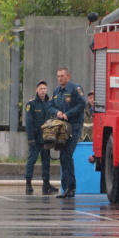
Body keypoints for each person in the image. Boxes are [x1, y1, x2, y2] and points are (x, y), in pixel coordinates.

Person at [46, 67, 87, 199]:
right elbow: (49, 105)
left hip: (73, 125)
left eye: (62, 76)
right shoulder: (56, 91)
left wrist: (68, 114)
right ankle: (65, 187)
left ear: (68, 76)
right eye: (58, 76)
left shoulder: (75, 88)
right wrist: (56, 112)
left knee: (68, 154)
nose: (60, 78)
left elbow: (82, 104)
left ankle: (71, 187)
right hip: (61, 127)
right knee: (63, 155)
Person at [24, 80, 58, 194]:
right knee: (31, 161)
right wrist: (30, 138)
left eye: (44, 88)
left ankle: (46, 184)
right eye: (40, 89)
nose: (43, 91)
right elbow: (29, 122)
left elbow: (53, 120)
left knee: (46, 162)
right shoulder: (31, 104)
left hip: (47, 139)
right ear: (36, 90)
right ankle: (28, 183)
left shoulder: (50, 103)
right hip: (36, 138)